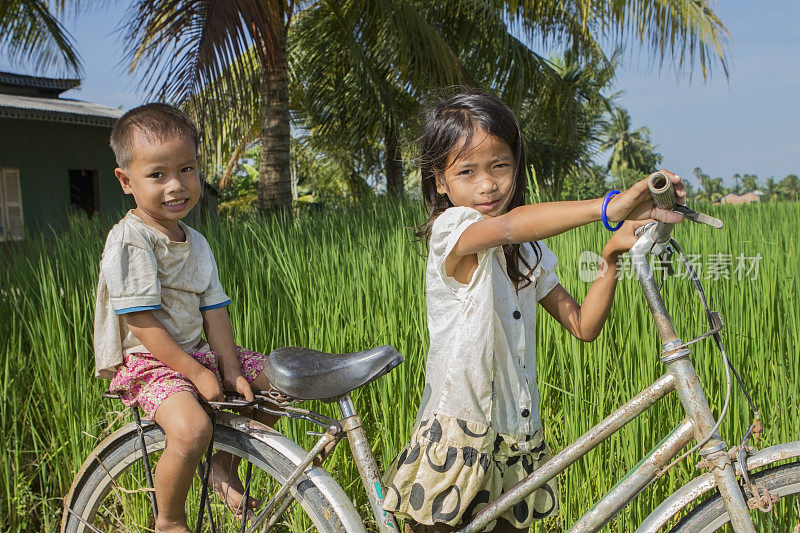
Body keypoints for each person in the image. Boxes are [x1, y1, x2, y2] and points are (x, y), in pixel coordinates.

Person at [381, 92, 685, 532]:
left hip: (515, 436)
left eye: (500, 166)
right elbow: (505, 225)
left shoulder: (528, 253)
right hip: (459, 434)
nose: (488, 185)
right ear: (440, 181)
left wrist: (612, 257)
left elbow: (582, 326)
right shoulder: (451, 232)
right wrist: (608, 207)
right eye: (467, 171)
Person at [93, 103, 277, 532]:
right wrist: (196, 373)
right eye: (157, 174)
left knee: (278, 383)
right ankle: (170, 520)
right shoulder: (131, 239)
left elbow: (214, 309)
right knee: (192, 429)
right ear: (126, 180)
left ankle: (224, 467)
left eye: (187, 169)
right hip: (148, 361)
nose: (176, 186)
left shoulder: (196, 242)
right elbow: (140, 321)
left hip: (195, 354)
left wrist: (230, 368)